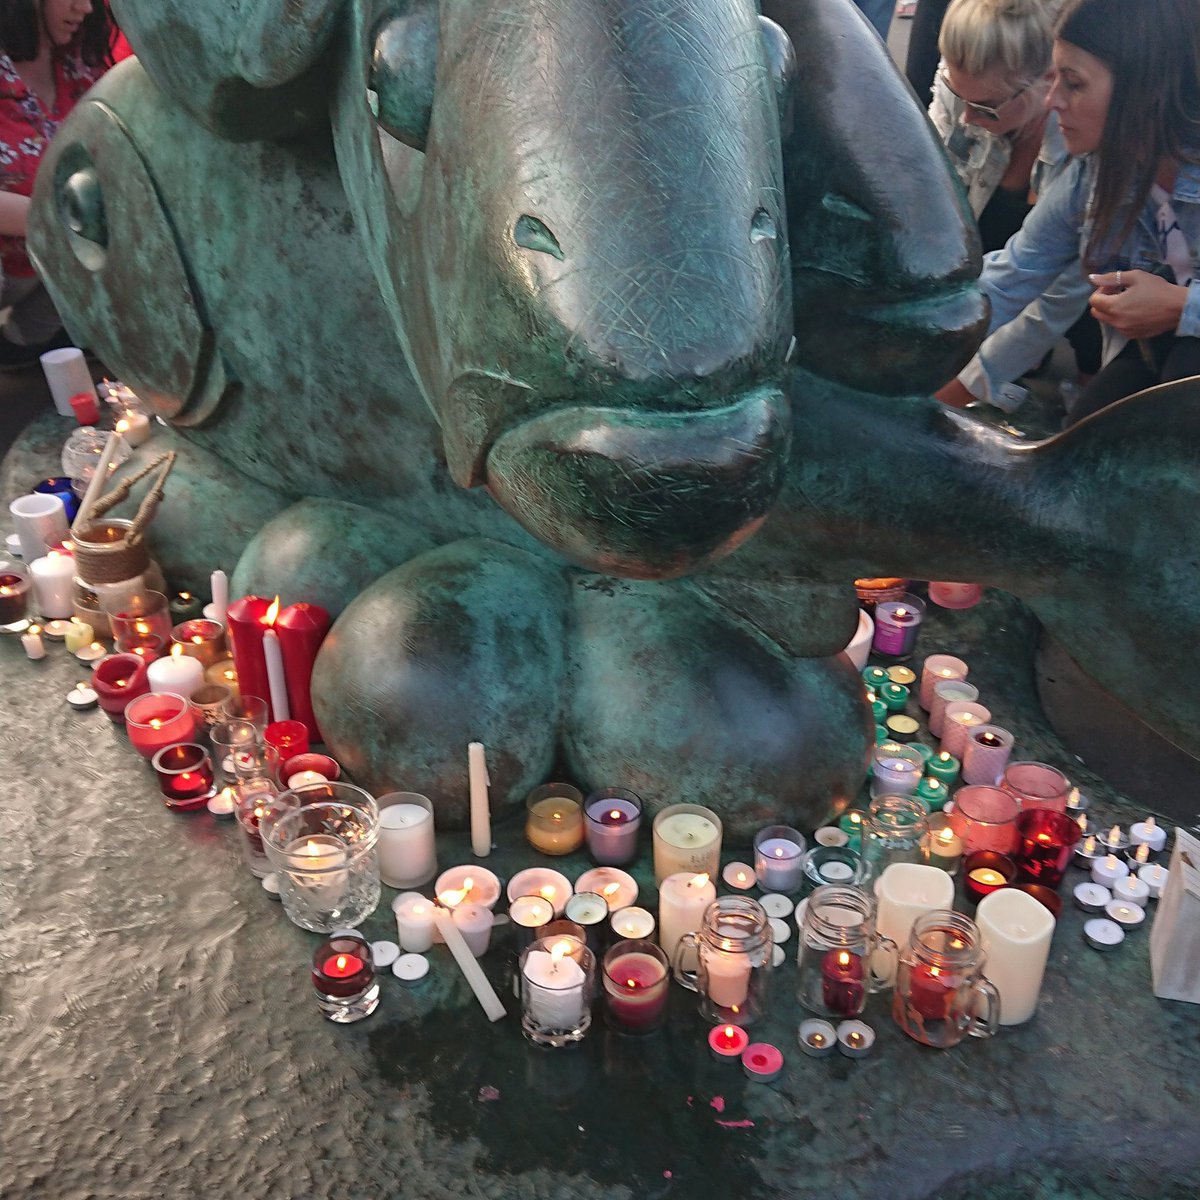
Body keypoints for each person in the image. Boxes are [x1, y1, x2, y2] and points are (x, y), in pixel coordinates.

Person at [940, 0, 1200, 424]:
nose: (1052, 99)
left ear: (1146, 88)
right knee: (1083, 447)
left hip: (1183, 357)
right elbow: (1012, 275)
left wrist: (1181, 305)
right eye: (1054, 78)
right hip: (1152, 352)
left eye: (1074, 84)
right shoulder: (1093, 173)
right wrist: (899, 346)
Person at [931, 0, 1100, 414]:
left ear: (1048, 81)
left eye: (985, 107)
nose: (967, 117)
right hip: (1011, 249)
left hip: (1102, 280)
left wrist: (965, 384)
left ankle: (1091, 387)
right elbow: (927, 194)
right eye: (958, 96)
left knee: (1100, 303)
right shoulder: (969, 75)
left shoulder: (1090, 149)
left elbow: (1063, 288)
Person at [0, 0, 115, 368]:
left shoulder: (81, 69)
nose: (84, 7)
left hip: (43, 266)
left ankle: (24, 345)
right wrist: (66, 217)